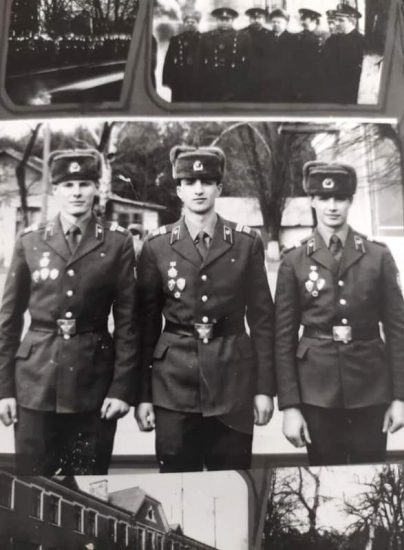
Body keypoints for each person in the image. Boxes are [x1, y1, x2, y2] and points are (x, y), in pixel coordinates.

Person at [135, 146, 275, 472]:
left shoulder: (246, 243)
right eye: (190, 181)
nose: (199, 189)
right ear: (178, 190)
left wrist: (264, 389)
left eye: (207, 181)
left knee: (232, 477)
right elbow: (145, 327)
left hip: (233, 382)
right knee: (176, 477)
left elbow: (263, 321)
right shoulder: (156, 246)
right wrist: (143, 395)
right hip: (173, 385)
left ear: (219, 188)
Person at [0, 149, 139, 475]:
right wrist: (4, 389)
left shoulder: (117, 243)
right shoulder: (29, 241)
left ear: (97, 188)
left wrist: (121, 389)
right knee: (34, 482)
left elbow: (128, 322)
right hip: (36, 383)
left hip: (93, 384)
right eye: (68, 185)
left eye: (84, 184)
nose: (76, 192)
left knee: (89, 485)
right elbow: (8, 320)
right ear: (55, 190)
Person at [274, 161, 404, 466]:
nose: (332, 206)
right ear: (312, 200)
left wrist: (400, 398)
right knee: (325, 476)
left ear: (350, 201)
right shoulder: (294, 260)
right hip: (316, 391)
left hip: (370, 389)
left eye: (340, 198)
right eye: (323, 198)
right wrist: (290, 407)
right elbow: (283, 338)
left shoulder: (378, 256)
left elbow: (397, 329)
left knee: (371, 475)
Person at [195, 7, 251, 102]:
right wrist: (199, 79)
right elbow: (199, 60)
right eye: (221, 19)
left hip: (234, 79)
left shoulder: (243, 36)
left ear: (232, 20)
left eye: (227, 19)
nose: (224, 22)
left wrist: (245, 79)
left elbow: (249, 60)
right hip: (212, 79)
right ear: (217, 20)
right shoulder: (206, 36)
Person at [323, 4, 365, 104]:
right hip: (331, 91)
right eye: (336, 20)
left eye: (341, 20)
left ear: (352, 21)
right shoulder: (332, 40)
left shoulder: (361, 41)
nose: (337, 23)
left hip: (350, 92)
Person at [162, 9, 202, 102]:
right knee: (178, 103)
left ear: (197, 23)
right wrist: (167, 80)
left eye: (193, 22)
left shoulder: (204, 39)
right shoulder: (176, 40)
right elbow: (168, 60)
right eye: (187, 22)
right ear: (184, 24)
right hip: (179, 79)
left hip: (198, 79)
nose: (190, 24)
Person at [291, 8, 326, 103]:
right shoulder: (298, 36)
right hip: (301, 79)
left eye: (304, 19)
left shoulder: (324, 36)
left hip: (318, 79)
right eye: (301, 19)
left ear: (314, 20)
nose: (302, 22)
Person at [240, 7, 271, 101]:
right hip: (246, 70)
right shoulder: (242, 33)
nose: (256, 21)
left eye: (259, 18)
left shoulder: (269, 34)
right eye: (253, 18)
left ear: (264, 19)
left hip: (264, 71)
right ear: (250, 19)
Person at [266, 8, 295, 102]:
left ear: (286, 23)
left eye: (279, 22)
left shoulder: (293, 40)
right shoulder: (264, 39)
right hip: (268, 81)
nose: (276, 24)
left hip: (286, 82)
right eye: (274, 22)